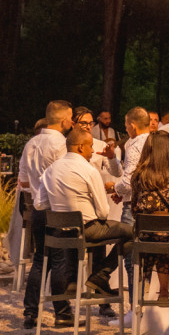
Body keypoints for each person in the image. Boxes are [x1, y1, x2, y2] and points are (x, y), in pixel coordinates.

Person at [41, 127, 135, 300]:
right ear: (80, 147)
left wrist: (61, 209)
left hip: (59, 232)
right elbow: (103, 212)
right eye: (90, 146)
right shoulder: (89, 170)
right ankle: (102, 274)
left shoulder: (50, 170)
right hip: (86, 230)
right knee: (133, 233)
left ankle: (73, 282)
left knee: (99, 232)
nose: (93, 151)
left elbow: (40, 204)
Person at [19, 101, 74, 329]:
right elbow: (65, 176)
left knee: (40, 259)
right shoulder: (61, 144)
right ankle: (62, 312)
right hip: (56, 207)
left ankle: (30, 311)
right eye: (71, 118)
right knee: (60, 259)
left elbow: (22, 181)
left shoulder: (31, 143)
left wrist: (35, 185)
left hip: (37, 208)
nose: (72, 122)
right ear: (63, 121)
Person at [125, 131, 169, 303]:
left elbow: (134, 210)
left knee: (152, 234)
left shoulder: (139, 175)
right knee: (167, 232)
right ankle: (164, 292)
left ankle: (142, 293)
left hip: (146, 235)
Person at [113, 107, 152, 202]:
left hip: (135, 202)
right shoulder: (159, 142)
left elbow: (128, 183)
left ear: (133, 126)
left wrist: (114, 187)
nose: (126, 130)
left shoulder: (134, 145)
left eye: (126, 126)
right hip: (154, 201)